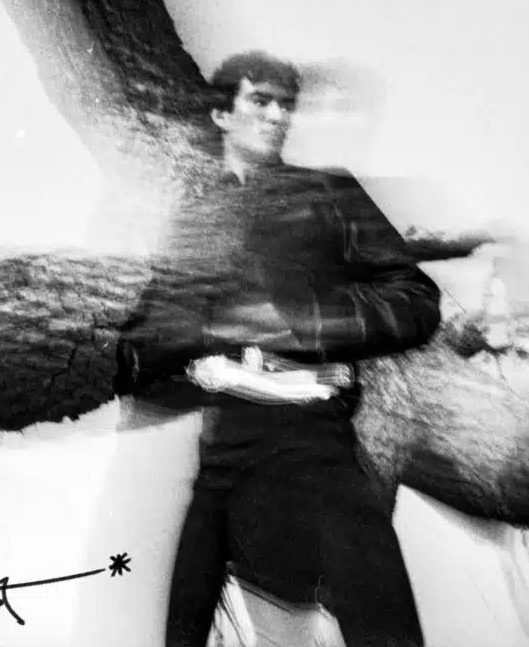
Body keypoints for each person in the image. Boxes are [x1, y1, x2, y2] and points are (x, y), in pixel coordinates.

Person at [115, 51, 442, 646]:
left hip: (316, 448)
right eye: (260, 101)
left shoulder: (327, 193)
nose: (277, 116)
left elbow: (416, 301)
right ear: (222, 114)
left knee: (387, 635)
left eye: (285, 105)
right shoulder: (197, 219)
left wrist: (301, 323)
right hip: (225, 458)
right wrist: (202, 357)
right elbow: (143, 346)